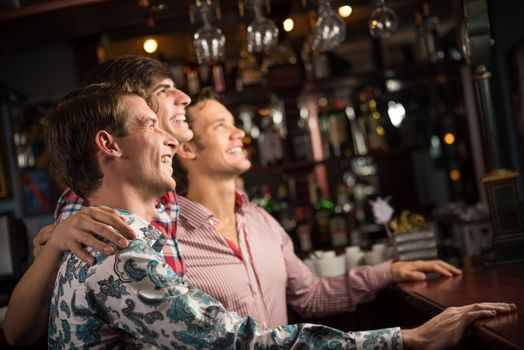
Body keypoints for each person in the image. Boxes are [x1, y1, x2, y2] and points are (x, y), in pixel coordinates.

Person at [35, 82, 524, 349]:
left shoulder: (108, 241)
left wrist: (389, 273)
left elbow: (303, 297)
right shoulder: (118, 254)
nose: (169, 139)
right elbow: (240, 342)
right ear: (108, 145)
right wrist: (407, 340)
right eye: (151, 125)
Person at [170, 88, 463, 329]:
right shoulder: (171, 240)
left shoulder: (261, 221)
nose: (238, 133)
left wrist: (389, 272)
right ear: (187, 148)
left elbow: (309, 296)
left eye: (234, 123)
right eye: (221, 126)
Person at [3, 55, 192, 345]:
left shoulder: (165, 193)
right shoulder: (90, 208)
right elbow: (19, 331)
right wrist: (55, 245)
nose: (184, 98)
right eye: (164, 91)